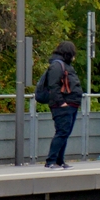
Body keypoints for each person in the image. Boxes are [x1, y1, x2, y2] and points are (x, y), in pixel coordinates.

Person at [43, 41, 83, 170]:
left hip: (71, 104)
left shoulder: (65, 65)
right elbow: (53, 86)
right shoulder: (57, 66)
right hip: (62, 105)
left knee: (65, 133)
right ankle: (51, 161)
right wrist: (61, 103)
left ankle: (60, 160)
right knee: (62, 132)